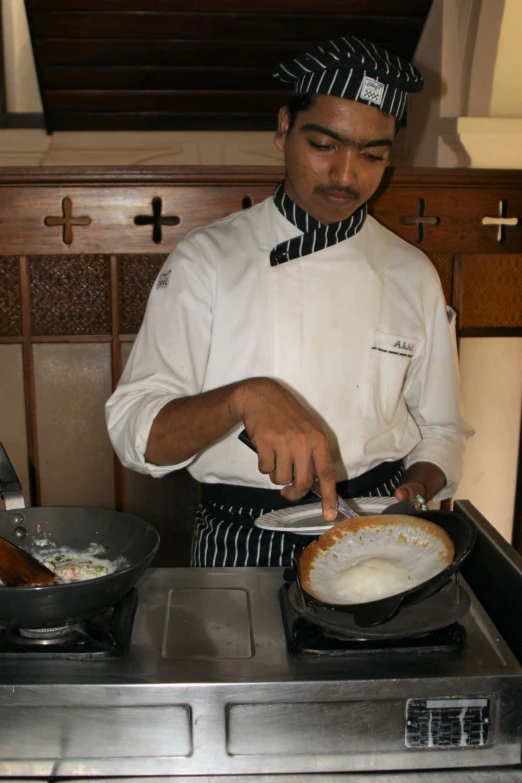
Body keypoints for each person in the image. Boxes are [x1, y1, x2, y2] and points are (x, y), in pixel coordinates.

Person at [106, 36, 473, 568]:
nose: (346, 175)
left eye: (372, 155)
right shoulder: (207, 260)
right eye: (324, 146)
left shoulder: (413, 272)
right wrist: (245, 397)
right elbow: (133, 431)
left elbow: (442, 429)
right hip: (240, 535)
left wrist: (415, 490)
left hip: (374, 530)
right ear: (283, 128)